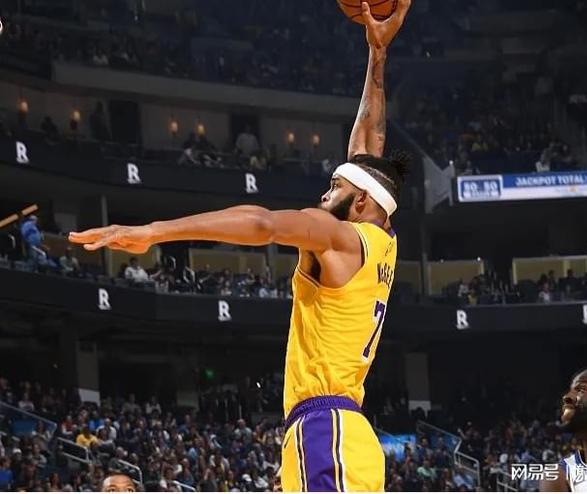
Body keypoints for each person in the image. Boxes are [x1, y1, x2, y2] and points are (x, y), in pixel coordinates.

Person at [69, 1, 411, 491]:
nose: (323, 194)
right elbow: (368, 147)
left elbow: (263, 224)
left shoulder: (339, 237)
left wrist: (154, 231)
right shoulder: (382, 240)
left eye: (333, 187)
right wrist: (378, 56)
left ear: (359, 202)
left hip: (324, 429)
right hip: (346, 434)